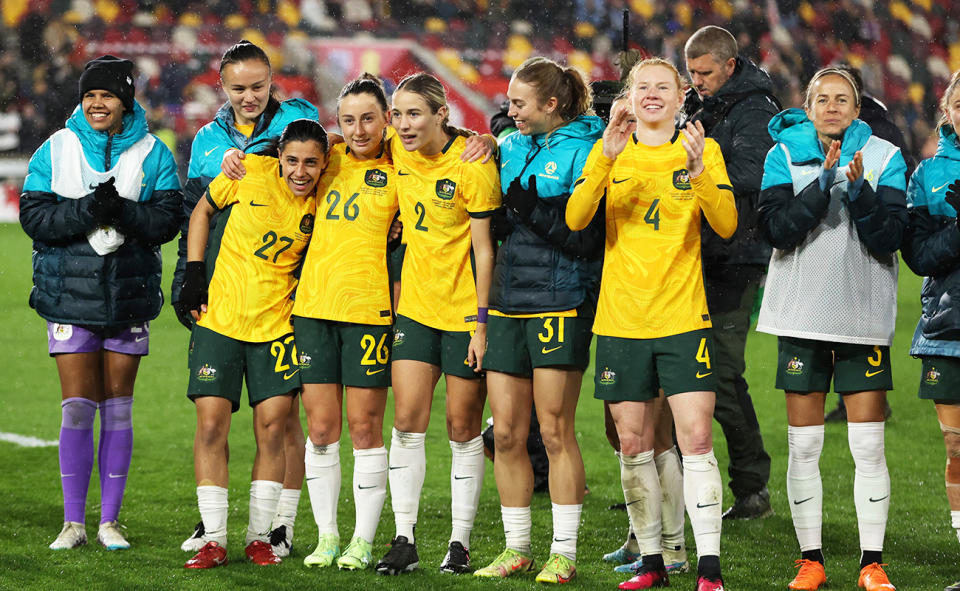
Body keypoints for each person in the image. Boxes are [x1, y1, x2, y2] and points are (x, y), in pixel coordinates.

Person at [567, 57, 736, 591]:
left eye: (664, 86)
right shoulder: (612, 151)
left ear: (681, 94)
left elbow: (727, 226)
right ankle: (653, 563)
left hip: (683, 317)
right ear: (629, 96)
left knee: (697, 437)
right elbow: (575, 218)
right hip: (621, 321)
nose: (653, 95)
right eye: (644, 87)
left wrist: (702, 174)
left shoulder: (702, 150)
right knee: (634, 441)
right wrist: (604, 160)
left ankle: (708, 569)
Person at [19, 55, 182, 551]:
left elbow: (167, 220)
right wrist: (89, 209)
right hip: (69, 301)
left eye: (107, 95)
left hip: (127, 300)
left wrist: (125, 212)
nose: (96, 103)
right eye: (90, 95)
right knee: (76, 409)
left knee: (117, 408)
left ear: (125, 100)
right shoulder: (57, 148)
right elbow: (34, 215)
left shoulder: (154, 153)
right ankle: (73, 523)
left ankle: (109, 522)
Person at [756, 67, 907, 591]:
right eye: (822, 98)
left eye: (843, 99)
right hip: (800, 315)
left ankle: (872, 563)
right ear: (809, 104)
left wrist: (860, 191)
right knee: (804, 447)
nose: (832, 107)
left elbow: (890, 238)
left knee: (868, 446)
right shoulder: (782, 155)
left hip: (862, 315)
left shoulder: (885, 158)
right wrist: (821, 186)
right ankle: (810, 560)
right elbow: (774, 229)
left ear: (858, 108)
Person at [172, 40, 318, 557]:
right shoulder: (208, 141)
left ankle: (278, 524)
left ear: (273, 80)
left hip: (284, 300)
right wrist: (188, 278)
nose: (250, 96)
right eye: (239, 88)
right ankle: (216, 528)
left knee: (282, 422)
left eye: (259, 85)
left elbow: (342, 158)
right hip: (223, 292)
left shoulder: (300, 120)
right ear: (223, 88)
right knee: (217, 417)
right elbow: (197, 211)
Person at [473, 56, 604, 584]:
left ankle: (564, 552)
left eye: (519, 104)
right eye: (508, 103)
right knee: (506, 433)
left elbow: (586, 238)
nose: (510, 111)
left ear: (551, 105)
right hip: (507, 301)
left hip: (558, 300)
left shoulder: (586, 151)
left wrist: (528, 209)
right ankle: (517, 548)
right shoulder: (509, 147)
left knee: (555, 431)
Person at [374, 72, 499, 576]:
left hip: (465, 312)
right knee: (405, 421)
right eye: (397, 114)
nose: (403, 125)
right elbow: (348, 136)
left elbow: (485, 249)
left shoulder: (473, 162)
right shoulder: (395, 149)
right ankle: (403, 538)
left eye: (414, 114)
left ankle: (459, 543)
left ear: (441, 115)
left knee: (463, 428)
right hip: (417, 311)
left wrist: (482, 323)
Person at [291, 74, 398, 571]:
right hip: (313, 310)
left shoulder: (404, 168)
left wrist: (479, 138)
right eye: (348, 120)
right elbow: (285, 151)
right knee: (321, 428)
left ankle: (362, 539)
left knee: (364, 427)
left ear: (387, 119)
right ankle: (328, 536)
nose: (358, 129)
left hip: (369, 312)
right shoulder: (325, 160)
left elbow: (447, 136)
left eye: (368, 118)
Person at [682, 25, 778, 520]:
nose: (696, 80)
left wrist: (690, 170)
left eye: (704, 72)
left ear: (730, 65)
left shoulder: (756, 110)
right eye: (691, 72)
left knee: (720, 373)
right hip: (689, 256)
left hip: (733, 258)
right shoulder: (705, 106)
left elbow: (753, 175)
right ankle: (674, 484)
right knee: (674, 373)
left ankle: (751, 485)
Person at [823, 63, 911, 424]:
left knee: (850, 331)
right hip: (854, 251)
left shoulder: (878, 137)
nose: (833, 106)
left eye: (841, 97)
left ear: (855, 101)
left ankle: (857, 402)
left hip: (862, 251)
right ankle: (856, 401)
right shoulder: (885, 124)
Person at [900, 69, 960, 591]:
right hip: (948, 324)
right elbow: (918, 256)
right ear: (948, 111)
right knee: (956, 448)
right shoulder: (928, 175)